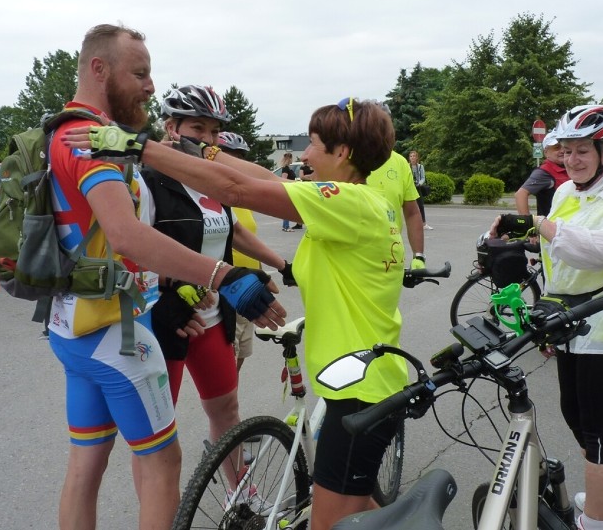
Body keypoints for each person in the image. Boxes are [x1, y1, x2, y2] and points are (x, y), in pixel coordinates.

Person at [62, 96, 407, 530]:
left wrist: (137, 145)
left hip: (360, 393)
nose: (304, 154)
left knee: (330, 521)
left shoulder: (345, 202)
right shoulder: (366, 201)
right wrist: (202, 150)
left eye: (314, 144)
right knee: (352, 506)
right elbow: (260, 177)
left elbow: (237, 189)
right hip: (367, 381)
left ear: (341, 154)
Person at [44, 24, 285, 530]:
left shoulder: (65, 131)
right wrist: (224, 276)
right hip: (118, 333)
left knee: (85, 464)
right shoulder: (93, 139)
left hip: (74, 326)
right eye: (140, 73)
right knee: (162, 464)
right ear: (99, 69)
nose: (150, 86)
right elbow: (128, 234)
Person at [495, 105, 603, 530]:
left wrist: (539, 224)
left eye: (583, 150)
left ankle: (599, 521)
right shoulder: (566, 193)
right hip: (570, 320)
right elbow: (558, 254)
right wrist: (517, 234)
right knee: (573, 413)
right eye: (566, 151)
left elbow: (598, 250)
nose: (572, 160)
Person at [144, 86, 292, 452]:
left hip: (213, 313)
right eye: (198, 129)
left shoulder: (208, 179)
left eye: (214, 131)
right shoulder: (148, 179)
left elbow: (234, 230)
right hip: (168, 317)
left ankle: (241, 497)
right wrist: (164, 294)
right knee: (159, 431)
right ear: (171, 126)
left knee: (227, 413)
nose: (209, 140)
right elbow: (130, 247)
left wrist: (283, 264)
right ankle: (166, 506)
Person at [216, 131, 269, 370]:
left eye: (239, 158)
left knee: (241, 355)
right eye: (229, 157)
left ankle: (231, 405)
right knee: (228, 358)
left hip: (249, 284)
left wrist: (262, 275)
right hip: (228, 286)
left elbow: (248, 239)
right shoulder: (212, 195)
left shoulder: (240, 198)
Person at [367, 150, 426, 269]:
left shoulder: (399, 162)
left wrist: (418, 256)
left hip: (390, 262)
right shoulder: (341, 155)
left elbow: (412, 213)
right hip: (351, 265)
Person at [514, 129, 569, 215]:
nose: (562, 151)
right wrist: (527, 223)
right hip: (551, 225)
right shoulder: (544, 173)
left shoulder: (571, 168)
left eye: (564, 147)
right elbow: (520, 195)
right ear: (546, 152)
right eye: (557, 147)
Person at [408, 150, 432, 230]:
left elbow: (423, 178)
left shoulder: (420, 167)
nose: (412, 158)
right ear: (409, 158)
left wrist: (419, 183)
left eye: (414, 156)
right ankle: (411, 224)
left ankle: (424, 224)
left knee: (421, 206)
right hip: (410, 188)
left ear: (417, 157)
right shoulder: (407, 166)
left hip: (418, 188)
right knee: (410, 206)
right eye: (411, 156)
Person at [292, 158, 315, 229]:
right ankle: (299, 223)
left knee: (312, 206)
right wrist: (310, 177)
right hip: (305, 187)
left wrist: (308, 177)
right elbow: (301, 177)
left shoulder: (314, 166)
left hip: (314, 187)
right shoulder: (303, 167)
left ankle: (313, 222)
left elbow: (317, 176)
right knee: (302, 205)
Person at [278, 152, 297, 231]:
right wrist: (295, 183)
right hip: (288, 189)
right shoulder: (285, 168)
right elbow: (284, 179)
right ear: (289, 159)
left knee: (288, 208)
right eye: (291, 158)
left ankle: (285, 226)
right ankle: (286, 226)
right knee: (287, 208)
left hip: (291, 189)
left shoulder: (288, 168)